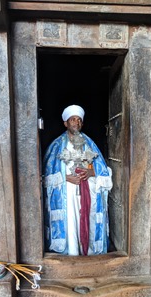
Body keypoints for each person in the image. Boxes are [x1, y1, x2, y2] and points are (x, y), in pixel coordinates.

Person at [43, 104, 113, 255]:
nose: (76, 122)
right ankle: (71, 251)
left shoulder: (89, 144)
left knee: (87, 217)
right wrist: (66, 177)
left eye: (79, 120)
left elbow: (101, 169)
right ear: (65, 123)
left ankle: (88, 251)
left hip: (86, 190)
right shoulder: (56, 145)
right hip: (66, 191)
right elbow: (47, 173)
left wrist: (89, 172)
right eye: (73, 119)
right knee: (70, 221)